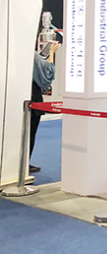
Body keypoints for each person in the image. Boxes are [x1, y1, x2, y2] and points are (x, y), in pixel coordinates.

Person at [30, 41, 61, 173]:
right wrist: (52, 53)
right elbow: (47, 74)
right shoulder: (31, 55)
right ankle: (23, 164)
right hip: (32, 99)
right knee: (29, 134)